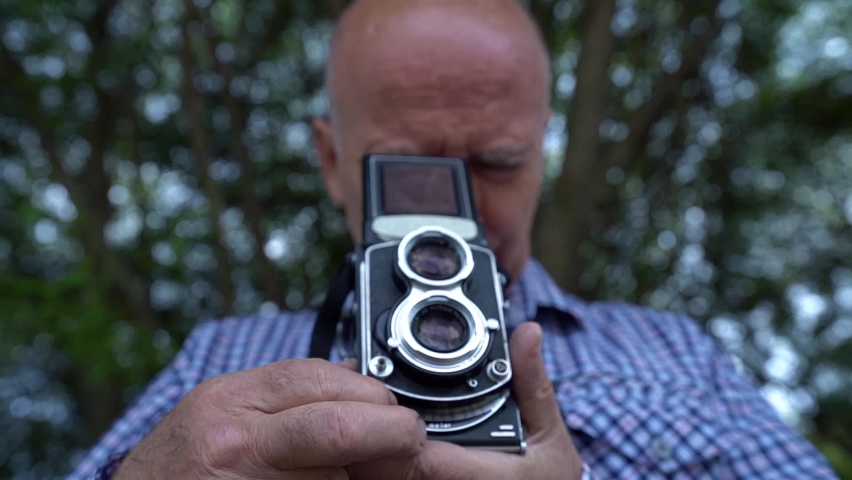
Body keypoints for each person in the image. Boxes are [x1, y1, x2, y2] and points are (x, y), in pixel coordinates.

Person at [68, 0, 839, 479]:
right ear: (334, 166)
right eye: (413, 176)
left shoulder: (674, 352)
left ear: (542, 155)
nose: (456, 216)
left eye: (497, 164)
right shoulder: (220, 360)